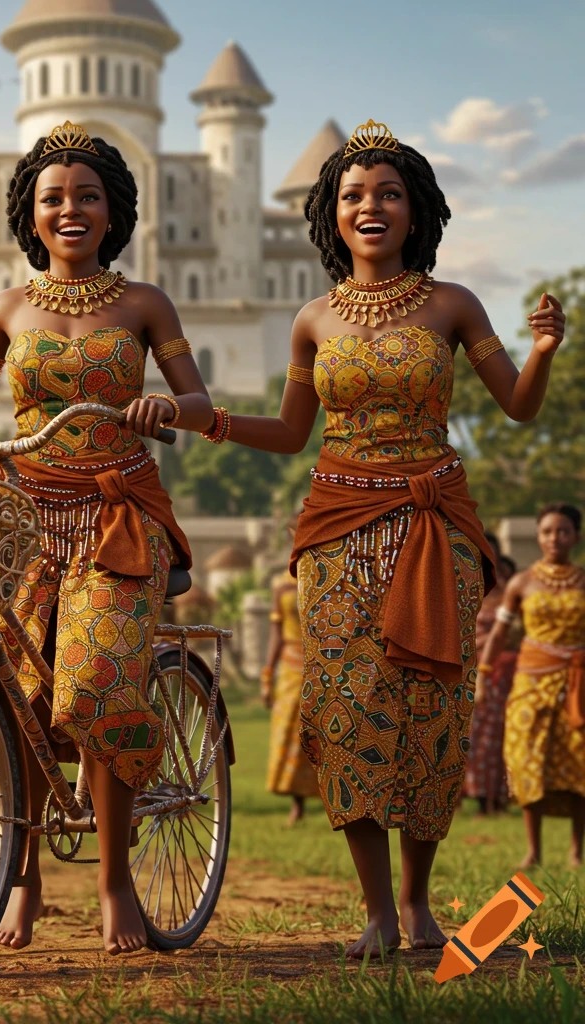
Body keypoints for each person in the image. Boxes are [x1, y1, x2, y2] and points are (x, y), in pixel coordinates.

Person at [208, 118, 565, 956]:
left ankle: (418, 905)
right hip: (336, 535)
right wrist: (215, 420)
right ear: (332, 214)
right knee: (348, 712)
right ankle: (373, 911)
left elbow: (518, 404)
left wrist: (545, 348)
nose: (371, 206)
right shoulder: (312, 320)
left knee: (431, 710)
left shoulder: (452, 305)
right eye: (353, 195)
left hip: (434, 531)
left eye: (389, 193)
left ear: (416, 212)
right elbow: (293, 431)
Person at [0, 121, 214, 954]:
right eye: (53, 199)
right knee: (14, 703)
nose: (70, 210)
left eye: (87, 196)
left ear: (113, 211)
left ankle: (113, 882)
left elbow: (202, 406)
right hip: (26, 523)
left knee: (95, 690)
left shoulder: (145, 305)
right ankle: (22, 878)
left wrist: (164, 409)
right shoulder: (6, 308)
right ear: (30, 217)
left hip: (118, 521)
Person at [481, 503, 585, 867]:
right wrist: (482, 674)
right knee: (527, 759)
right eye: (546, 532)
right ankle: (533, 850)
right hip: (530, 680)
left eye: (563, 531)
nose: (554, 538)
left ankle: (576, 851)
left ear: (576, 536)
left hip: (577, 682)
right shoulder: (522, 583)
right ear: (538, 536)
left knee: (579, 760)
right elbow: (499, 633)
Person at [261, 517, 319, 825]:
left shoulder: (325, 576)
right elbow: (276, 632)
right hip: (290, 668)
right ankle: (297, 805)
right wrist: (267, 674)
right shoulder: (281, 583)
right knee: (291, 735)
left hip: (322, 664)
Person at [463, 535, 518, 815]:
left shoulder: (510, 592)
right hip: (466, 670)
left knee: (496, 736)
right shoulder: (463, 589)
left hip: (500, 671)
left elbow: (517, 632)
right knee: (472, 735)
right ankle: (476, 796)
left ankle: (497, 797)